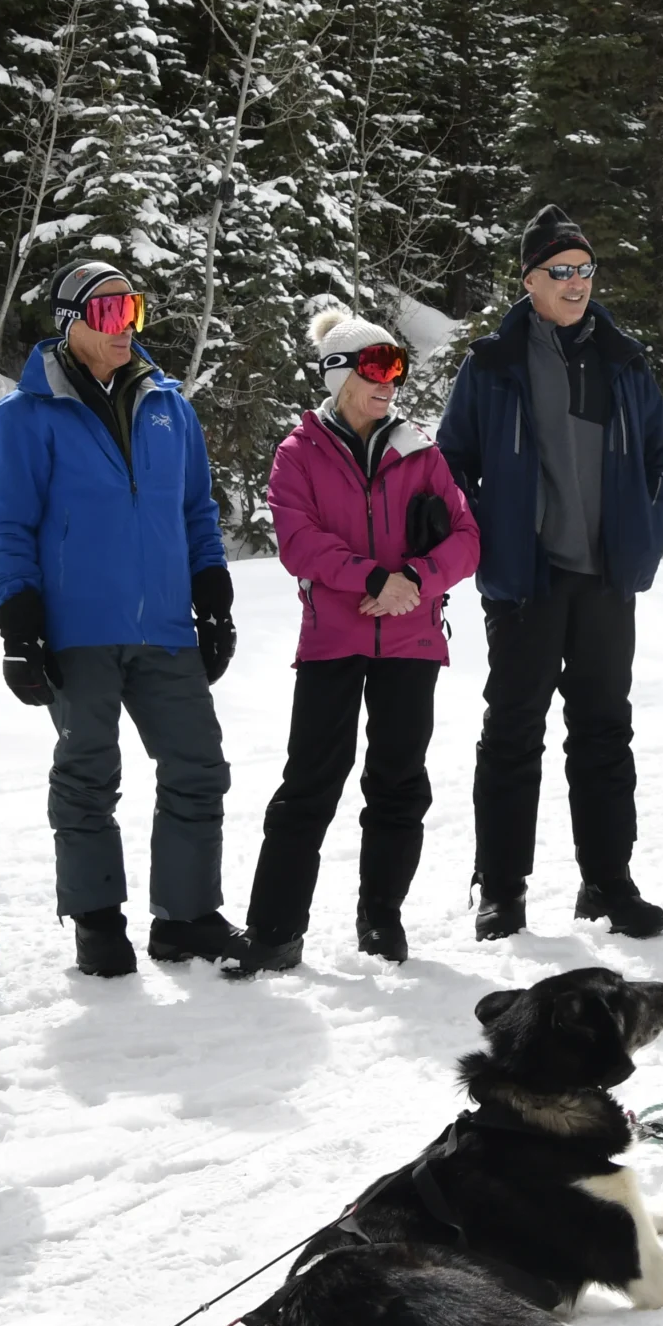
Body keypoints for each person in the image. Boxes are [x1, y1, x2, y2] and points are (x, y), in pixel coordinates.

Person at [0, 260, 242, 978]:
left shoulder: (169, 407)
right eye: (107, 312)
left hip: (166, 626)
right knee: (88, 776)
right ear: (69, 324)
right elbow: (8, 527)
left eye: (133, 309)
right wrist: (20, 624)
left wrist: (213, 600)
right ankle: (97, 922)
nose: (125, 325)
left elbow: (196, 511)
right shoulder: (25, 416)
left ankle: (185, 918)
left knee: (199, 767)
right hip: (79, 629)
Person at [435, 205, 663, 941]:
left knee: (604, 732)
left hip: (605, 578)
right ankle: (500, 889)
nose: (576, 283)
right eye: (560, 270)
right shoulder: (492, 363)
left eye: (584, 269)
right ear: (529, 280)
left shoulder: (623, 359)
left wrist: (645, 538)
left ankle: (608, 882)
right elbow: (451, 463)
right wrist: (489, 536)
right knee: (512, 734)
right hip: (526, 580)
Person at [230, 308, 480, 974]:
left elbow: (466, 540)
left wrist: (414, 581)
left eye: (397, 368)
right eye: (376, 368)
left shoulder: (420, 451)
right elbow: (299, 542)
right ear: (339, 375)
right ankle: (275, 931)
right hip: (333, 641)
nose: (389, 382)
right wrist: (374, 578)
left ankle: (381, 920)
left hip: (411, 641)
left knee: (398, 783)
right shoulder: (299, 452)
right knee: (310, 783)